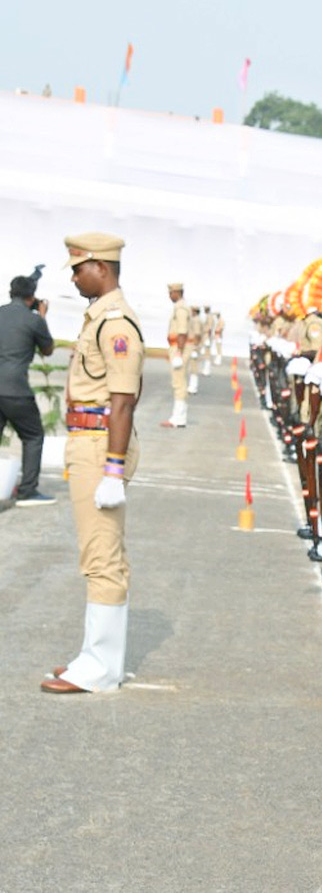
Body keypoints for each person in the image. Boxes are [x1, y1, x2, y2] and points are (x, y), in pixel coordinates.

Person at [42, 232, 144, 694]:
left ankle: (101, 667)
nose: (75, 276)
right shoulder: (99, 319)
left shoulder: (115, 324)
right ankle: (94, 656)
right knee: (97, 553)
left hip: (103, 443)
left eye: (79, 268)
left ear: (101, 267)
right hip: (90, 439)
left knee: (101, 556)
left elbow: (122, 401)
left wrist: (114, 469)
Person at [0, 265, 55, 504]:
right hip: (15, 389)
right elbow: (48, 349)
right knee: (33, 436)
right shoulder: (33, 320)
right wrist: (42, 316)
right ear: (32, 298)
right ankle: (27, 491)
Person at [161, 282, 189, 428]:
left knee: (179, 382)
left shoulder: (181, 308)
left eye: (171, 293)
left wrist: (178, 352)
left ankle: (179, 417)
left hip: (179, 348)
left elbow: (182, 332)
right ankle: (178, 416)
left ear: (176, 293)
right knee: (178, 381)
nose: (170, 296)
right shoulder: (179, 307)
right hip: (175, 347)